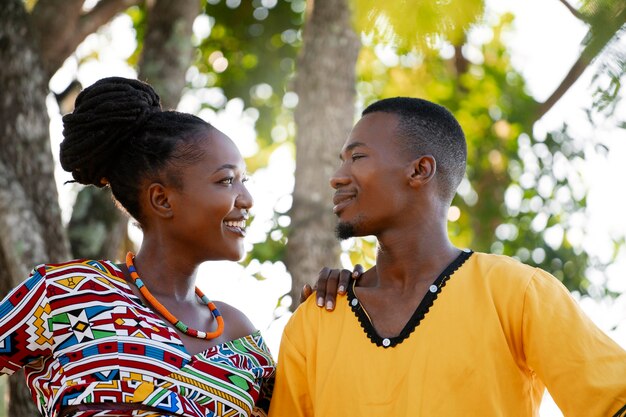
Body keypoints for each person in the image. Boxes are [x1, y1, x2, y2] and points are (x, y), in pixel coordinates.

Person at [269, 97, 626, 417]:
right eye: (341, 161)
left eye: (357, 157)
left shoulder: (516, 292)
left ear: (420, 170)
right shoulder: (317, 320)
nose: (336, 177)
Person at [0, 77, 279, 417]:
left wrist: (342, 304)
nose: (247, 199)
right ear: (162, 199)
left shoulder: (244, 341)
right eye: (226, 181)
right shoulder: (68, 294)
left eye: (243, 181)